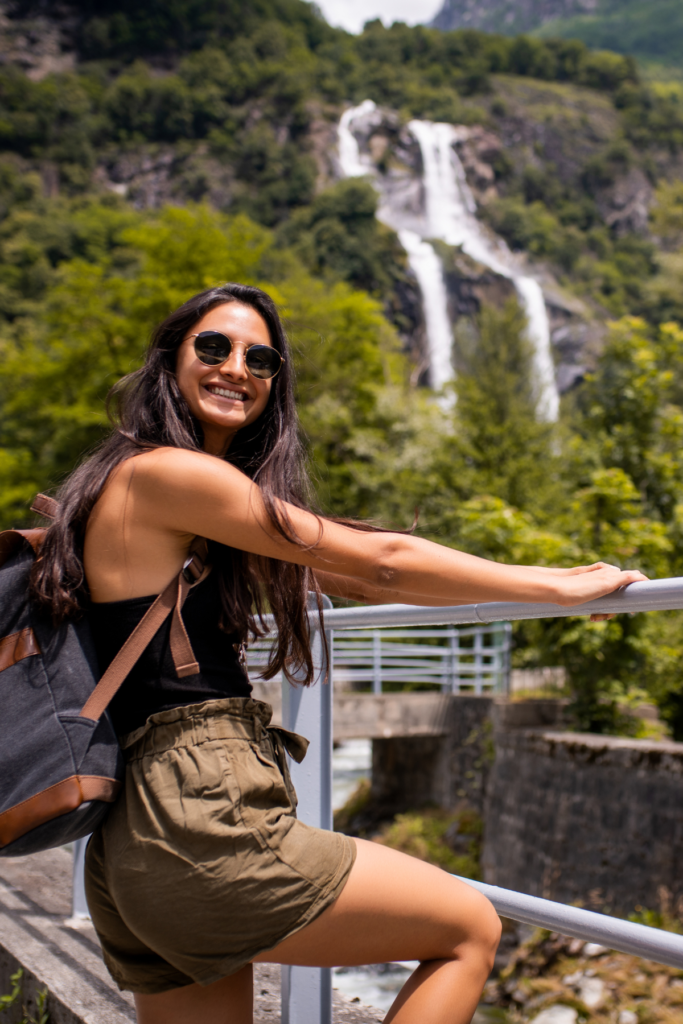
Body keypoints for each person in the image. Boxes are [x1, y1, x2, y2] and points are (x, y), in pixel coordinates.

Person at [31, 283, 646, 1024]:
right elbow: (382, 558)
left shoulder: (151, 492)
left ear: (275, 381)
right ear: (169, 360)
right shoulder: (170, 474)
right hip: (199, 818)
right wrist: (555, 584)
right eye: (213, 347)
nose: (236, 367)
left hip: (133, 848)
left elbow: (353, 571)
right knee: (468, 929)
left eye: (259, 356)